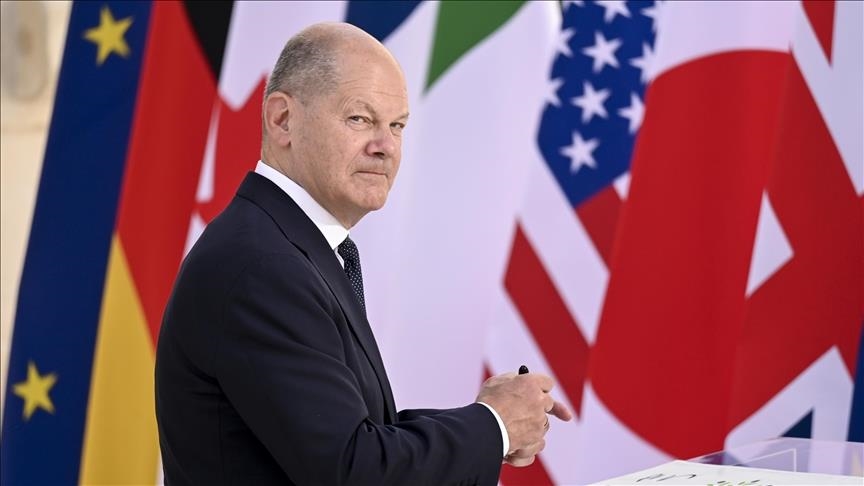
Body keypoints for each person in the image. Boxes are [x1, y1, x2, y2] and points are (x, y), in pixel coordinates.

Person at [155, 22, 571, 485]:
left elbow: (354, 433)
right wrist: (494, 426)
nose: (385, 147)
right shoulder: (260, 266)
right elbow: (355, 469)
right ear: (283, 120)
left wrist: (492, 419)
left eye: (397, 125)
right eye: (360, 119)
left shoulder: (285, 246)